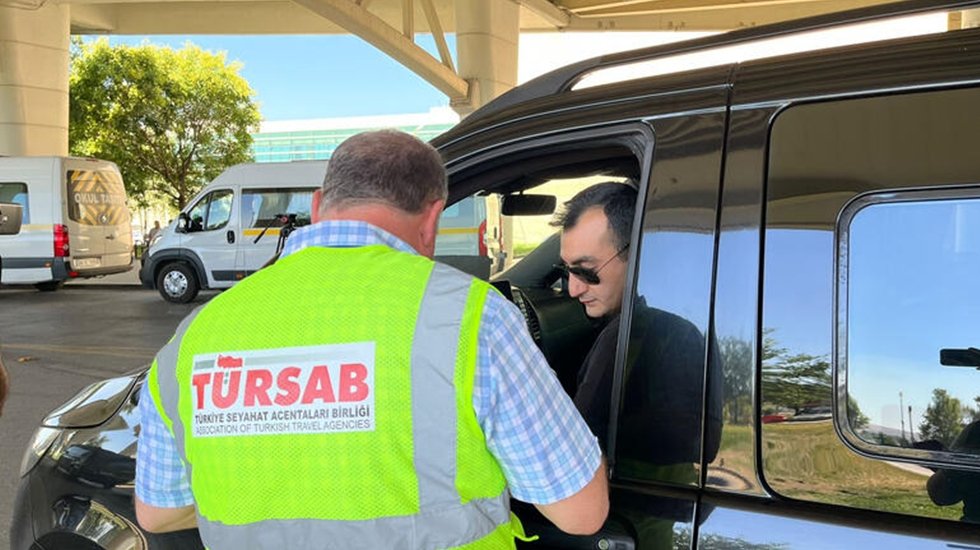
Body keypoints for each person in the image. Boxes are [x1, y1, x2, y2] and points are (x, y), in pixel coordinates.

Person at [134, 129, 609, 549]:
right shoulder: (471, 317)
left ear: (318, 206)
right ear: (433, 217)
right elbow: (581, 512)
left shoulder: (197, 334)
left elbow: (158, 513)